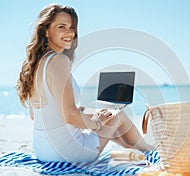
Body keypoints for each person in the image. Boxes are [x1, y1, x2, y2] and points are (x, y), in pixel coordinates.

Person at [16, 4, 150, 163]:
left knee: (107, 116)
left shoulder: (35, 64)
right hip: (66, 152)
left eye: (72, 27)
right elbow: (70, 116)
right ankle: (148, 151)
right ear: (46, 31)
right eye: (61, 27)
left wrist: (92, 114)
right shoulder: (58, 61)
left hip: (42, 150)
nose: (69, 33)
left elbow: (39, 114)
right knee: (118, 115)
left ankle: (138, 148)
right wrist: (97, 123)